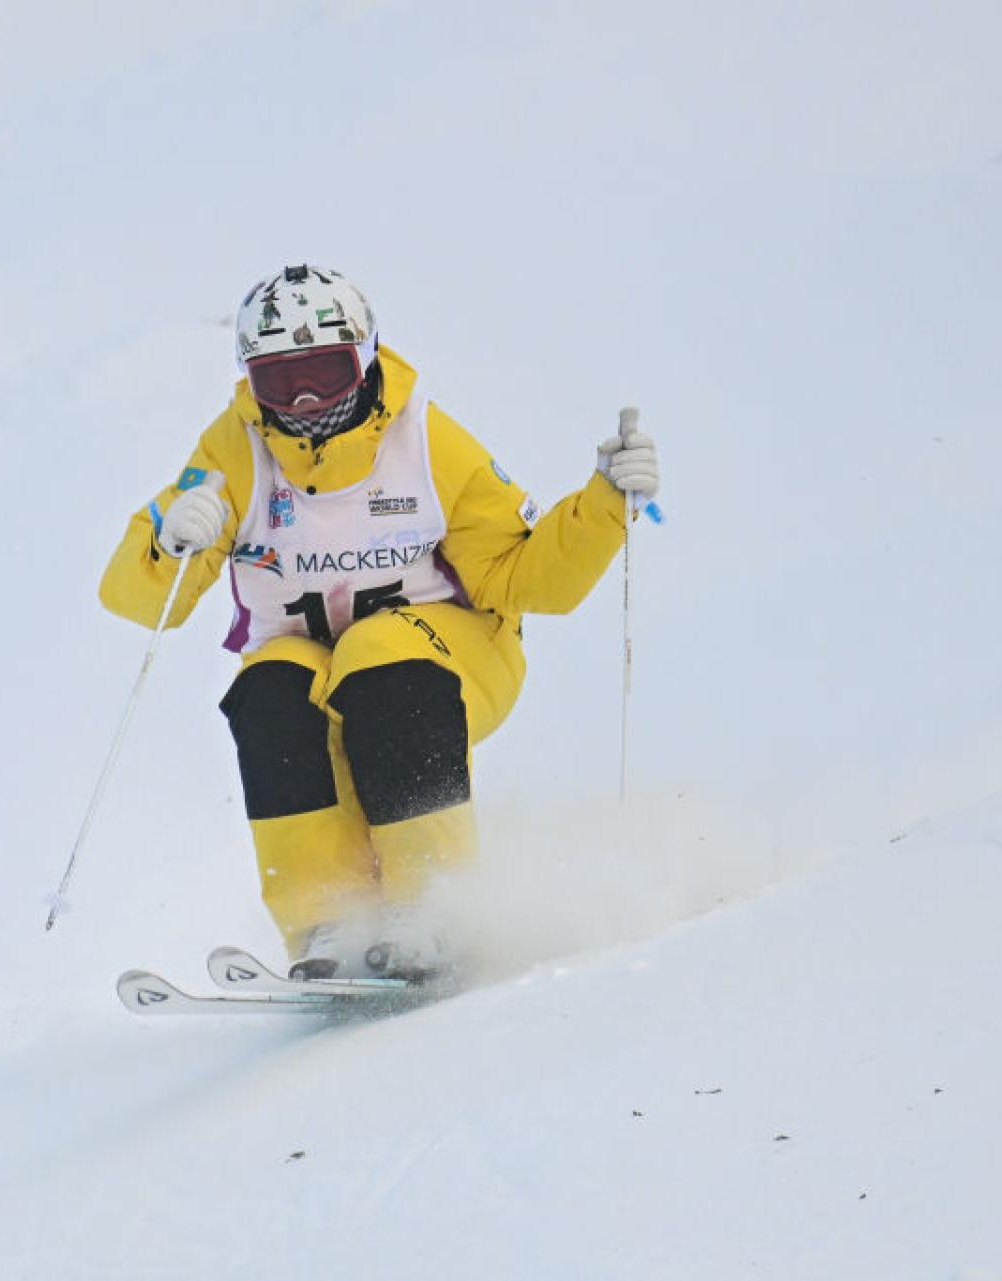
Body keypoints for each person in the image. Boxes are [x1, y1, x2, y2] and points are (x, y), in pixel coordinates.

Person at [97, 264, 660, 983]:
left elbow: (527, 580)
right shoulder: (234, 451)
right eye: (279, 381)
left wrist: (605, 503)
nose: (304, 402)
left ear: (364, 360)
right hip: (314, 662)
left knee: (378, 655)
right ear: (248, 381)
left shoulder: (424, 438)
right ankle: (331, 922)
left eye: (326, 373)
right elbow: (141, 601)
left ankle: (434, 908)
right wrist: (169, 542)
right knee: (269, 690)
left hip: (453, 659)